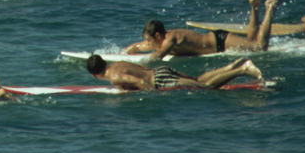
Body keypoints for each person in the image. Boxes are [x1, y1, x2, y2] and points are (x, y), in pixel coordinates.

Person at [125, 0, 284, 58]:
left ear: (158, 36)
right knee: (250, 41)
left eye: (149, 39)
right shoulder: (159, 39)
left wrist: (140, 64)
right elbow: (137, 47)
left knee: (260, 47)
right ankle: (254, 6)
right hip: (216, 40)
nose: (147, 43)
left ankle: (270, 8)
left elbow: (158, 56)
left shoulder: (170, 39)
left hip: (220, 41)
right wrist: (124, 53)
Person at [86, 55, 263, 91]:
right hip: (160, 71)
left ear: (95, 75)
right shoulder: (118, 63)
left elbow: (140, 83)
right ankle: (231, 66)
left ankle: (243, 69)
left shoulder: (114, 77)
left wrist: (155, 96)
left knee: (206, 86)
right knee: (198, 79)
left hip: (160, 80)